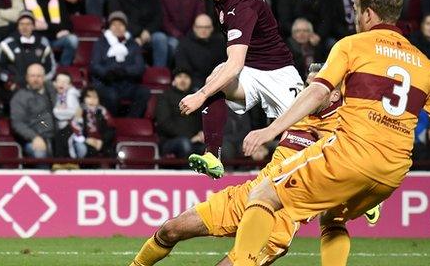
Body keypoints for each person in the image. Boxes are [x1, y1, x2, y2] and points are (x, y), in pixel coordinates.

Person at [232, 0, 430, 266]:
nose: (355, 19)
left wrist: (270, 129)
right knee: (333, 216)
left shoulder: (352, 45)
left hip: (350, 157)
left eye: (356, 11)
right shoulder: (425, 64)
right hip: (392, 173)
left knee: (263, 192)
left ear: (368, 14)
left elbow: (318, 90)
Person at [129, 63, 345, 265]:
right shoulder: (296, 108)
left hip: (281, 217)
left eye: (316, 87)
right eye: (308, 85)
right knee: (171, 229)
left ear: (335, 94)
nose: (308, 91)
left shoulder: (344, 129)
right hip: (252, 194)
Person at [177, 0, 304, 178]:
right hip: (250, 69)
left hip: (278, 72)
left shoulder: (241, 7)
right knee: (216, 78)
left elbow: (234, 65)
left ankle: (359, 186)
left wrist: (200, 95)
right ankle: (213, 157)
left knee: (313, 132)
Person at [90, 11, 150, 117]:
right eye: (114, 25)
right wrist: (107, 73)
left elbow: (139, 67)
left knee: (144, 92)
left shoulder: (132, 44)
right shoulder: (101, 43)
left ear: (125, 27)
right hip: (107, 83)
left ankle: (130, 122)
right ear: (110, 27)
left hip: (127, 83)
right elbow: (95, 65)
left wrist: (124, 71)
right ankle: (112, 122)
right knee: (111, 96)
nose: (117, 28)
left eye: (121, 25)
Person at [108, 0, 169, 67]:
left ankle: (158, 73)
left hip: (149, 33)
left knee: (161, 39)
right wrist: (140, 33)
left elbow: (158, 17)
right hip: (126, 33)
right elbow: (117, 19)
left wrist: (148, 31)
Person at [24, 0, 79, 66]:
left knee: (73, 39)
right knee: (43, 41)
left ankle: (64, 68)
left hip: (57, 38)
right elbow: (33, 27)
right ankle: (47, 68)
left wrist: (48, 26)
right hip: (38, 38)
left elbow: (67, 24)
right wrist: (56, 28)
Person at [0, 10, 57, 89]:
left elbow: (51, 67)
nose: (24, 27)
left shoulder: (43, 43)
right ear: (17, 26)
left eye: (28, 24)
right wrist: (10, 82)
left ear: (33, 26)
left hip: (39, 87)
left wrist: (42, 80)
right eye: (21, 24)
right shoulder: (6, 44)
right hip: (16, 87)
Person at [10, 63, 56, 159]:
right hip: (34, 138)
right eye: (32, 76)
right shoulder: (19, 97)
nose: (35, 79)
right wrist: (34, 137)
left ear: (44, 77)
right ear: (27, 78)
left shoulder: (52, 91)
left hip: (56, 136)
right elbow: (18, 123)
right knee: (40, 153)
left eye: (39, 76)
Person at [156, 69, 204, 158]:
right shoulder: (165, 96)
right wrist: (190, 138)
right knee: (185, 144)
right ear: (174, 80)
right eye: (179, 77)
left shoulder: (195, 98)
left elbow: (201, 119)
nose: (183, 80)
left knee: (210, 148)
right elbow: (164, 123)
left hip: (195, 140)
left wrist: (202, 133)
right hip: (170, 141)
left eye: (186, 77)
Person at [174, 14, 227, 90]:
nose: (203, 30)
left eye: (207, 27)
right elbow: (184, 70)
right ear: (194, 28)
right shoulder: (184, 45)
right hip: (193, 86)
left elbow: (223, 66)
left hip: (215, 83)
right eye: (200, 27)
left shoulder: (220, 43)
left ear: (212, 28)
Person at [69, 86, 115, 158]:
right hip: (85, 141)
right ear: (84, 99)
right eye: (89, 97)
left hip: (101, 142)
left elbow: (111, 129)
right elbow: (75, 130)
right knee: (87, 150)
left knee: (111, 152)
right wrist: (86, 139)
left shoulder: (103, 111)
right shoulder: (80, 110)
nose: (92, 100)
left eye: (95, 97)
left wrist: (102, 141)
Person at [52, 73, 81, 158]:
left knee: (64, 140)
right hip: (62, 125)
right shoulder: (57, 95)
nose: (61, 84)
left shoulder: (71, 94)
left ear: (70, 85)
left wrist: (56, 111)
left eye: (64, 82)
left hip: (73, 125)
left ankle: (72, 163)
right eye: (59, 81)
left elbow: (73, 112)